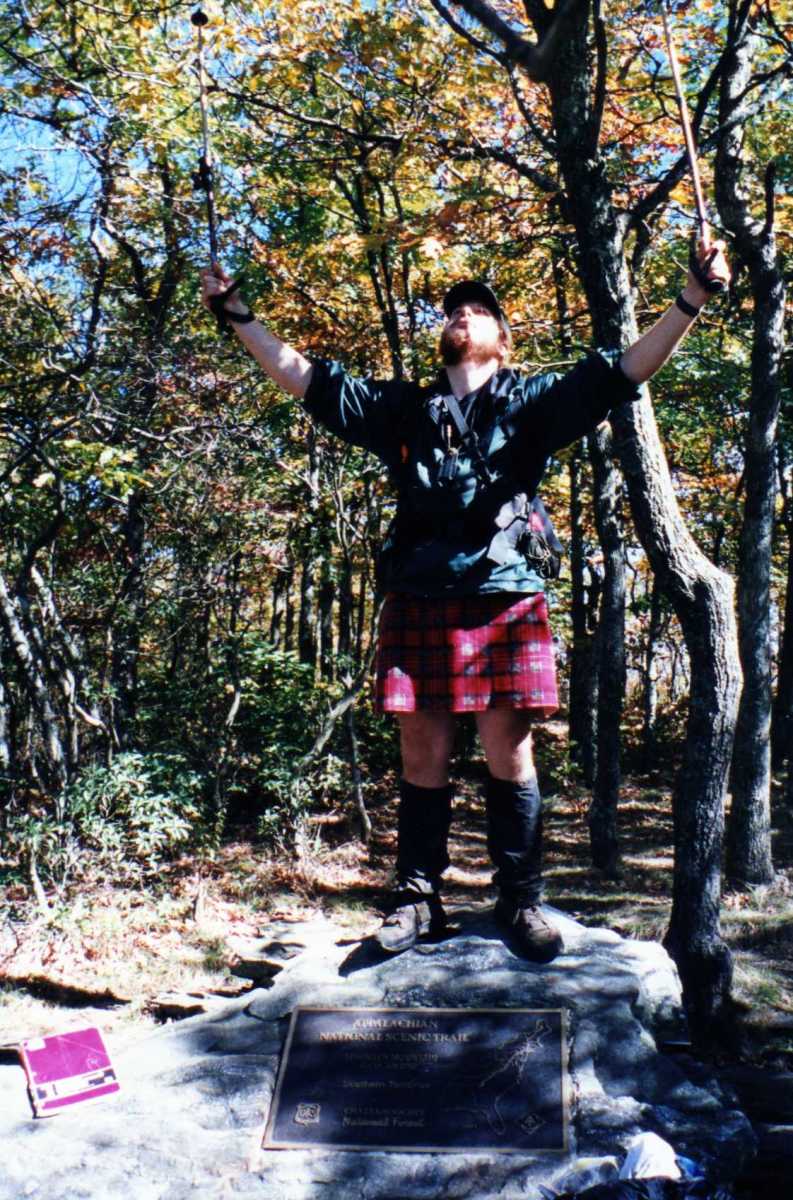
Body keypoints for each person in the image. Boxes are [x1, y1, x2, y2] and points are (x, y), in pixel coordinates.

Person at [201, 241, 730, 964]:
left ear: (501, 341)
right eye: (454, 309)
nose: (462, 315)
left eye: (479, 310)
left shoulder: (531, 401)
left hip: (502, 594)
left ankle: (520, 898)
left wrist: (691, 299)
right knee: (420, 753)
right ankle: (417, 899)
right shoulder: (404, 408)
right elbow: (305, 378)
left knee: (507, 752)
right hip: (419, 591)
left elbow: (626, 371)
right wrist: (237, 315)